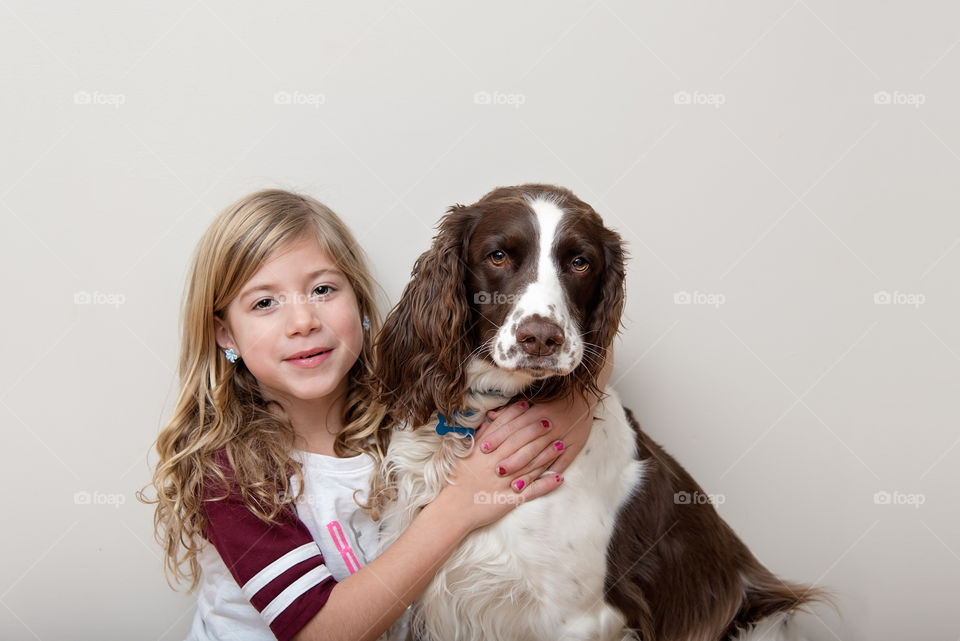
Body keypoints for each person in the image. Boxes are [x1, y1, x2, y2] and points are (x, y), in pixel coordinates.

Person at [141, 189, 610, 641]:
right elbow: (320, 633)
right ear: (225, 335)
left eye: (322, 289)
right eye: (265, 302)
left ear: (362, 307)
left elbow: (593, 346)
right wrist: (460, 505)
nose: (302, 321)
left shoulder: (401, 406)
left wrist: (574, 406)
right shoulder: (229, 474)